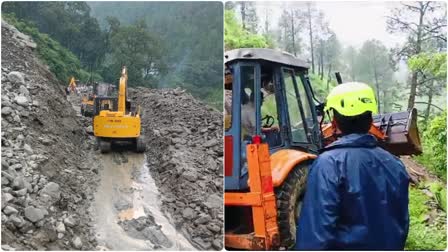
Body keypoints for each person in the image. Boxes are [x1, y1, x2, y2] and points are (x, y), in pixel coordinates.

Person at [295, 82, 409, 250]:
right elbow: (401, 223)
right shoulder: (394, 164)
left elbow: (316, 234)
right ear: (370, 119)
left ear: (334, 122)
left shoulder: (328, 164)